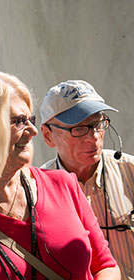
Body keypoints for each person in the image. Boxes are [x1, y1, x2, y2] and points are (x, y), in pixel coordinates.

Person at [0, 71, 120, 280]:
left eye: (31, 119)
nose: (33, 131)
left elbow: (105, 265)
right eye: (19, 121)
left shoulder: (64, 184)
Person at [40, 80, 133, 280]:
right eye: (79, 128)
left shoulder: (130, 171)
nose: (94, 137)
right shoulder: (36, 191)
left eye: (98, 124)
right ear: (48, 136)